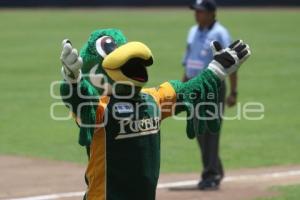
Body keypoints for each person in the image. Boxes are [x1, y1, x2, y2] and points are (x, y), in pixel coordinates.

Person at [182, 0, 238, 190]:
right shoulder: (193, 31)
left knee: (210, 132)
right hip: (194, 87)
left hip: (213, 89)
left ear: (212, 13)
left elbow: (230, 63)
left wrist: (233, 92)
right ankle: (214, 169)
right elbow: (189, 60)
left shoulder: (220, 33)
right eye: (195, 11)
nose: (197, 14)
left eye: (200, 11)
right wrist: (183, 87)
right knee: (198, 131)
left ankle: (211, 174)